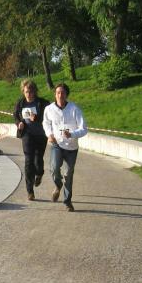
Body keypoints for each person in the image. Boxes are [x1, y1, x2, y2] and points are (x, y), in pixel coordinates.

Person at [42, 82, 87, 212]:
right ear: (55, 94)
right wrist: (49, 134)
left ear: (66, 94)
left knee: (68, 174)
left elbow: (84, 129)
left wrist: (72, 134)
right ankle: (58, 185)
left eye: (62, 93)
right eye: (58, 93)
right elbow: (46, 123)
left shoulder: (74, 109)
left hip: (71, 147)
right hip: (56, 144)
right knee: (54, 168)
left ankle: (67, 201)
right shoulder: (49, 109)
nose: (60, 95)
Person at [13, 80, 50, 201]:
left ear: (35, 91)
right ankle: (30, 191)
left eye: (30, 92)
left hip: (41, 135)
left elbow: (49, 116)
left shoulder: (42, 103)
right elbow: (15, 116)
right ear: (23, 92)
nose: (28, 94)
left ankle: (39, 173)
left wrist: (37, 118)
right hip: (27, 135)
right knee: (29, 161)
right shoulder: (20, 103)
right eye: (26, 92)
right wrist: (19, 123)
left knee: (38, 160)